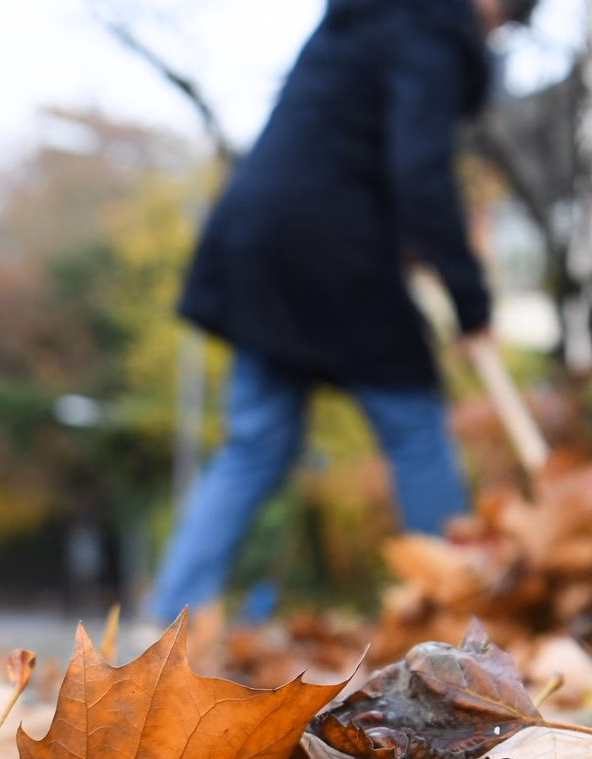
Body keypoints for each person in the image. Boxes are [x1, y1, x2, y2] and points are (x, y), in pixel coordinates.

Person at [145, 0, 538, 631]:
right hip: (334, 247)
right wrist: (471, 302)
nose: (494, 35)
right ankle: (456, 619)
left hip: (260, 234)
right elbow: (420, 173)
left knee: (254, 445)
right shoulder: (433, 28)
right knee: (414, 427)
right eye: (507, 21)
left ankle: (164, 624)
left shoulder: (364, 19)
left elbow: (356, 146)